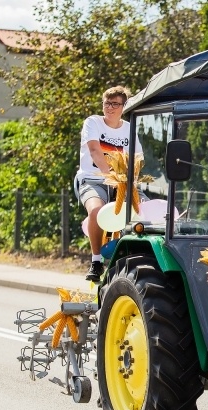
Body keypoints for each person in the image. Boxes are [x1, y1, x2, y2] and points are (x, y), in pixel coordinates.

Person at [74, 86, 142, 282]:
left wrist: (129, 181)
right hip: (93, 179)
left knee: (143, 212)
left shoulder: (129, 128)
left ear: (124, 107)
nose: (110, 107)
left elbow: (137, 158)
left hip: (122, 182)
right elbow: (95, 151)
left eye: (115, 104)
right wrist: (111, 176)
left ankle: (133, 257)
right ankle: (96, 262)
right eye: (107, 103)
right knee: (97, 211)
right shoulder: (93, 122)